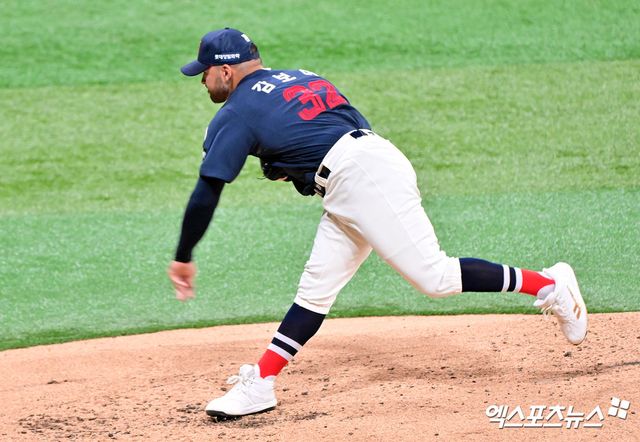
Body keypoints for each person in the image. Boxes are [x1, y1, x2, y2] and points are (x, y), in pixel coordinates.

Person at [167, 27, 588, 419]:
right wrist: (298, 168)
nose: (202, 80)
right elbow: (347, 125)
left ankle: (549, 284)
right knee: (316, 288)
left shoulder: (238, 110)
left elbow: (208, 189)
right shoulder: (301, 77)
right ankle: (261, 383)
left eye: (205, 72)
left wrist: (184, 255)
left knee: (435, 277)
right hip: (360, 169)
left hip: (361, 178)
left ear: (226, 71)